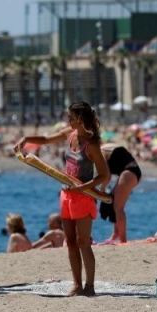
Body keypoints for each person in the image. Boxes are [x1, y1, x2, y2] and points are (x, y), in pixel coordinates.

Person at [14, 101, 110, 296]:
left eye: (71, 118)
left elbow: (104, 175)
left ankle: (89, 286)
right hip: (66, 196)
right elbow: (47, 139)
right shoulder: (70, 134)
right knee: (71, 242)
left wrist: (84, 187)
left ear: (80, 119)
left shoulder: (91, 145)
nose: (68, 120)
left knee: (84, 242)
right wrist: (26, 138)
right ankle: (77, 285)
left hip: (83, 198)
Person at [100, 144, 142, 244]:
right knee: (115, 203)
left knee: (119, 208)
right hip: (132, 172)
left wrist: (101, 190)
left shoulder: (101, 152)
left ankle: (123, 240)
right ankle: (115, 234)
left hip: (128, 173)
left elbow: (107, 177)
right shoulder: (105, 148)